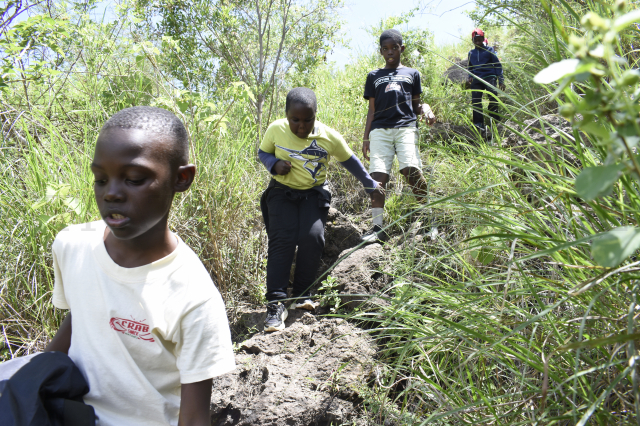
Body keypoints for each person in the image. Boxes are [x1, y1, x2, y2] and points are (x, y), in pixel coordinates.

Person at [44, 106, 236, 426]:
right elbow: (80, 316)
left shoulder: (194, 297)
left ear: (181, 178)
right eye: (100, 179)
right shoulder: (72, 245)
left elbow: (193, 418)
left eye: (133, 179)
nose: (111, 193)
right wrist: (31, 381)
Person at [258, 87, 382, 332]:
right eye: (295, 120)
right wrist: (274, 164)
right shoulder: (276, 129)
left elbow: (349, 160)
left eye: (308, 120)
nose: (301, 126)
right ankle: (276, 303)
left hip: (313, 194)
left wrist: (370, 184)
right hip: (281, 192)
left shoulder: (328, 136)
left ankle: (302, 294)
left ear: (316, 115)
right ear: (286, 115)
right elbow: (263, 152)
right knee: (282, 241)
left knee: (313, 238)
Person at [361, 29, 436, 244]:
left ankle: (430, 221)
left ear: (401, 48)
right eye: (385, 49)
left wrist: (426, 109)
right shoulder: (374, 76)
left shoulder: (412, 74)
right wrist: (366, 138)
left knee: (411, 170)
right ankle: (377, 229)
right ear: (381, 51)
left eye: (394, 48)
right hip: (380, 131)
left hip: (406, 128)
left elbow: (416, 104)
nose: (390, 52)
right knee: (377, 178)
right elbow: (371, 110)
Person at [466, 28, 505, 132]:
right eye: (476, 40)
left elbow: (497, 65)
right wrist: (470, 76)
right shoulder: (471, 53)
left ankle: (494, 121)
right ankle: (478, 124)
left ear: (483, 39)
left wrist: (501, 80)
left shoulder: (489, 50)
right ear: (473, 41)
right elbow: (470, 67)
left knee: (493, 97)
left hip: (489, 77)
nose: (478, 42)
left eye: (480, 40)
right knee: (476, 101)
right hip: (477, 78)